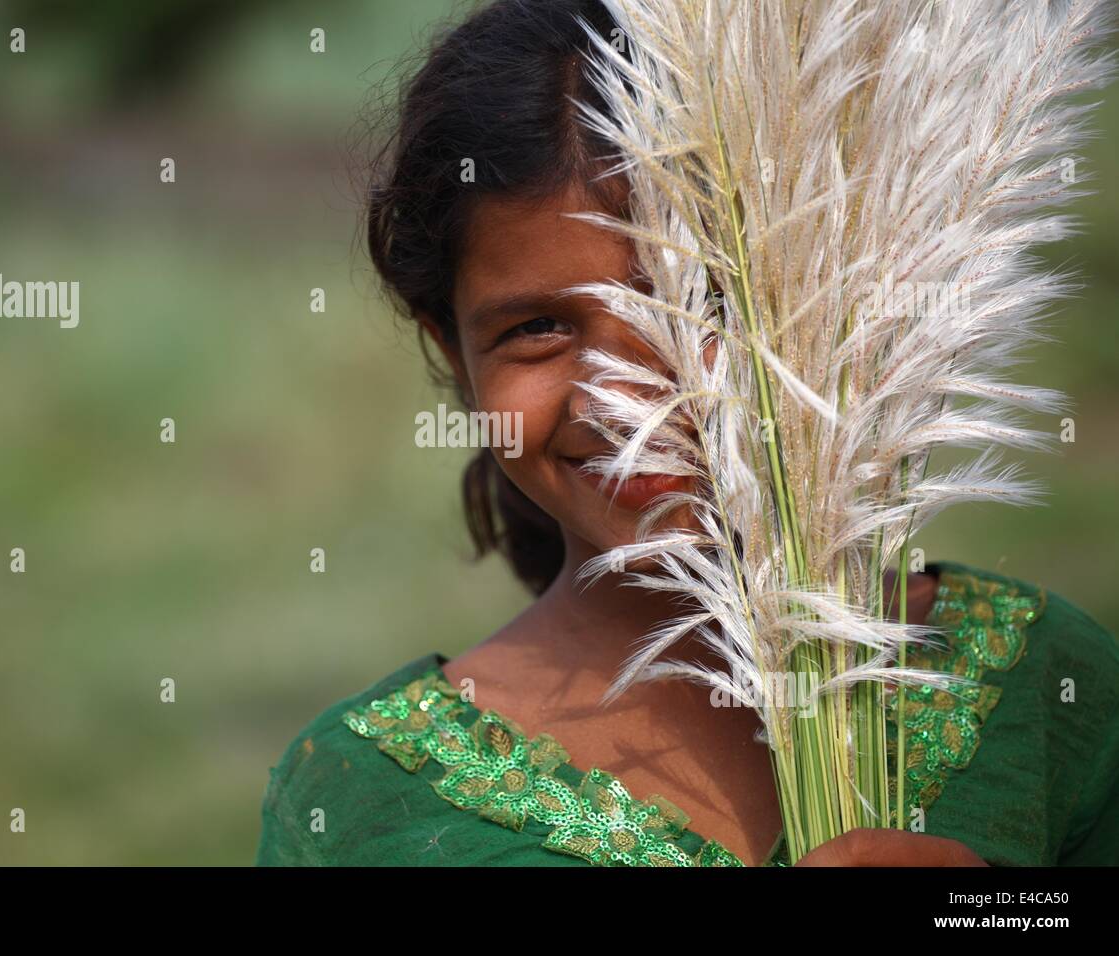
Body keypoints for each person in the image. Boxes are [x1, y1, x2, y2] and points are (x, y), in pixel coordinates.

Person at [255, 0, 1119, 867]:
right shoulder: (359, 803)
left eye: (702, 303)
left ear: (851, 293)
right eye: (538, 328)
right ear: (451, 347)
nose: (624, 401)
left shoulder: (1043, 683)